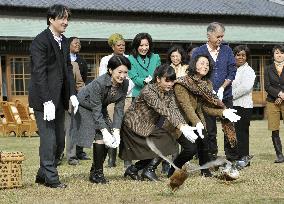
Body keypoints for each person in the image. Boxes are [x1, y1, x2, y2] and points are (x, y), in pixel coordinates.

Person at [120, 64, 198, 182]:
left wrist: (185, 126)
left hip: (148, 125)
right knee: (164, 141)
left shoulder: (169, 92)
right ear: (158, 79)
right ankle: (149, 170)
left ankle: (134, 169)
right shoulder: (148, 90)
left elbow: (174, 110)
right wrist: (181, 126)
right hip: (133, 125)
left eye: (172, 81)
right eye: (167, 80)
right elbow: (163, 109)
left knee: (164, 142)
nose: (170, 84)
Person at [29, 4, 79, 188]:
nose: (66, 22)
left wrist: (72, 94)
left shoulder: (65, 41)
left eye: (67, 19)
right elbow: (39, 73)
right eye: (62, 18)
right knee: (49, 140)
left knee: (59, 141)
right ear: (51, 19)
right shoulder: (40, 41)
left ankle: (42, 174)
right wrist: (46, 100)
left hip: (59, 99)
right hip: (44, 100)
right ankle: (51, 179)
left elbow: (67, 69)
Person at [167, 54, 240, 177]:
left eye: (207, 64)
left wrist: (223, 112)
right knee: (190, 150)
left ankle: (205, 171)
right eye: (202, 63)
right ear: (194, 64)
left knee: (204, 142)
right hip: (179, 120)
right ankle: (173, 169)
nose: (205, 66)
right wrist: (197, 123)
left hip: (196, 119)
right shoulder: (181, 83)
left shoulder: (206, 84)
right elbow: (186, 106)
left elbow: (205, 107)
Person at [71, 55, 130, 184]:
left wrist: (116, 130)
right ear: (110, 70)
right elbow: (96, 110)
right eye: (119, 72)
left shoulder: (124, 83)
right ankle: (97, 174)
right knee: (101, 135)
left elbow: (119, 109)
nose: (122, 75)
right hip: (85, 105)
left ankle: (95, 170)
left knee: (109, 135)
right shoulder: (100, 83)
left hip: (99, 106)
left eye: (125, 72)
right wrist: (104, 130)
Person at [192, 22, 237, 161]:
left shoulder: (227, 50)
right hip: (206, 98)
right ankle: (211, 157)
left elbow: (232, 71)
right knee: (210, 130)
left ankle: (231, 157)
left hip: (226, 95)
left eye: (222, 36)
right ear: (209, 35)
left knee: (229, 126)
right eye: (218, 36)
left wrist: (223, 88)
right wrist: (208, 91)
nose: (220, 39)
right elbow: (194, 73)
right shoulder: (199, 51)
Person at [98, 33, 133, 168]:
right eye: (119, 45)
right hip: (110, 98)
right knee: (112, 126)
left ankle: (127, 159)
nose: (122, 47)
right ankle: (111, 158)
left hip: (127, 96)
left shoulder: (129, 58)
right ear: (112, 46)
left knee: (126, 127)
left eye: (123, 45)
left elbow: (131, 79)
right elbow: (103, 78)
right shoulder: (106, 60)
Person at [65, 37, 89, 166]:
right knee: (57, 131)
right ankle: (56, 155)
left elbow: (80, 82)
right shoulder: (55, 61)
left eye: (80, 43)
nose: (78, 45)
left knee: (72, 128)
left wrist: (84, 96)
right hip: (55, 101)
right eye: (75, 43)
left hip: (72, 99)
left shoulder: (76, 64)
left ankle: (72, 156)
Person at [232, 45, 256, 166]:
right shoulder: (232, 69)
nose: (240, 57)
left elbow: (245, 88)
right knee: (233, 132)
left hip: (243, 106)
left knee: (242, 132)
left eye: (243, 55)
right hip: (233, 105)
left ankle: (244, 158)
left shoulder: (249, 70)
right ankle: (236, 156)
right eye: (238, 54)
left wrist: (230, 95)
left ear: (246, 57)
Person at [264, 44, 284, 163]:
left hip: (280, 99)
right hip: (272, 101)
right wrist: (279, 95)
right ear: (273, 55)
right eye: (277, 52)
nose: (279, 55)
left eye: (281, 52)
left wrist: (282, 96)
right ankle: (280, 155)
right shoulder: (267, 69)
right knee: (274, 128)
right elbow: (267, 86)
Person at [128, 32, 161, 99]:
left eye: (146, 45)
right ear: (136, 46)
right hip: (138, 94)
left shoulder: (156, 57)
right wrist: (146, 81)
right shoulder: (130, 59)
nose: (144, 48)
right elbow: (134, 78)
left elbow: (159, 74)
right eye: (141, 45)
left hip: (154, 93)